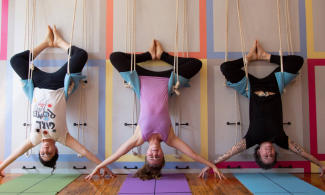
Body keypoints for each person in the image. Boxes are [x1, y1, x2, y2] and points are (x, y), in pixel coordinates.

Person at [86, 40, 226, 181]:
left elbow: (117, 154)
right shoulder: (169, 138)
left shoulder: (139, 138)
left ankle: (148, 55)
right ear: (163, 154)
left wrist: (99, 166)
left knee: (115, 57)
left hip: (141, 78)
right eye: (158, 157)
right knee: (196, 64)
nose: (154, 153)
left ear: (146, 154)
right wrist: (212, 166)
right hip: (167, 80)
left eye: (151, 157)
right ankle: (163, 56)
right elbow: (193, 154)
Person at [0, 25, 115, 177]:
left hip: (37, 84)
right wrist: (102, 165)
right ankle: (59, 42)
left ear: (39, 151)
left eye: (43, 154)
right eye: (49, 153)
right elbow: (84, 151)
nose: (45, 151)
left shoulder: (34, 138)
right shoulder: (62, 137)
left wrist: (1, 168)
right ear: (56, 150)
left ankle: (46, 43)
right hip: (60, 84)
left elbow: (14, 154)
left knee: (15, 60)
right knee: (81, 55)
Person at [199, 40, 325, 178]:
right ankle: (266, 56)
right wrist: (321, 165)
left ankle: (249, 58)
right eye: (271, 156)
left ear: (258, 152)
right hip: (274, 84)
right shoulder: (280, 139)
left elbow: (229, 153)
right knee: (297, 61)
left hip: (251, 87)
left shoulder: (251, 139)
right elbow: (304, 153)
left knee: (225, 67)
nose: (269, 153)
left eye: (266, 156)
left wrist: (210, 165)